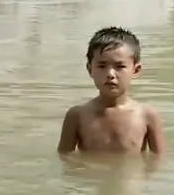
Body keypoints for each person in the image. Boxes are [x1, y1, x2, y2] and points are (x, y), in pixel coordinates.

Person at [56, 27, 167, 157]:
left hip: (131, 171)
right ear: (90, 69)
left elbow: (158, 160)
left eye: (120, 66)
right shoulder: (77, 116)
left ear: (135, 70)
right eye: (102, 66)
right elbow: (65, 158)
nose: (110, 74)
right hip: (92, 171)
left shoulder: (147, 115)